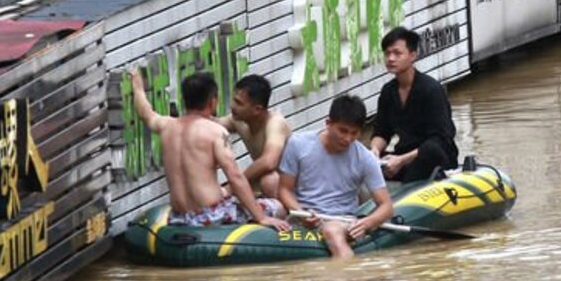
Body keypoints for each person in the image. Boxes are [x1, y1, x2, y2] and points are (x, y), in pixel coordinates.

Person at [130, 69, 290, 230]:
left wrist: (137, 87)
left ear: (184, 99)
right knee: (277, 207)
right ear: (213, 102)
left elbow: (146, 113)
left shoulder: (165, 125)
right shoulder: (216, 132)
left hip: (178, 216)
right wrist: (261, 217)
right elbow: (235, 177)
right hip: (211, 214)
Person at [278, 95, 394, 258]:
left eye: (354, 133)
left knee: (331, 231)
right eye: (343, 130)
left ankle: (347, 279)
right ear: (328, 123)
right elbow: (284, 190)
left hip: (342, 221)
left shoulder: (365, 158)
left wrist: (367, 222)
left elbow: (386, 206)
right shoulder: (298, 144)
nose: (347, 139)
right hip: (303, 215)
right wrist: (300, 212)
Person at [370, 27, 459, 182]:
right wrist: (374, 151)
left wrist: (402, 160)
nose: (390, 58)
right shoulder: (388, 91)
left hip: (434, 157)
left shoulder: (431, 90)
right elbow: (382, 131)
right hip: (404, 153)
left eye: (397, 53)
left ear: (413, 56)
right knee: (362, 155)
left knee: (430, 150)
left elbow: (441, 139)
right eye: (387, 53)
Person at [215, 75, 291, 198]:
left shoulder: (275, 123)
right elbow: (211, 125)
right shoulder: (238, 120)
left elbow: (268, 162)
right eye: (234, 100)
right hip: (262, 184)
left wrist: (233, 185)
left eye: (239, 103)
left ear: (257, 109)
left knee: (270, 180)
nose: (232, 106)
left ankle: (287, 214)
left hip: (289, 186)